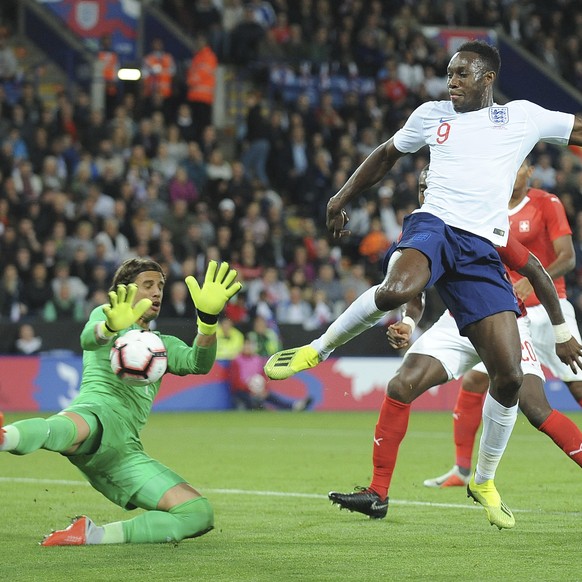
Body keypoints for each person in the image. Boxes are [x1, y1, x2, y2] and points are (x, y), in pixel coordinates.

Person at [265, 40, 582, 529]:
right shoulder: (431, 114)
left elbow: (576, 129)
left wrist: (561, 331)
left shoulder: (522, 117)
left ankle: (482, 479)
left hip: (481, 250)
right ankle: (318, 348)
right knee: (394, 291)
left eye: (462, 73)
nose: (450, 80)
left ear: (487, 77)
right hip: (434, 225)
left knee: (510, 380)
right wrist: (341, 194)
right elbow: (386, 155)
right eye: (449, 72)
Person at [0, 257, 242, 545]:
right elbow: (89, 339)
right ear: (126, 290)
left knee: (198, 513)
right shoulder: (105, 316)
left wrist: (208, 322)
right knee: (64, 428)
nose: (157, 292)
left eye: (161, 286)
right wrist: (109, 327)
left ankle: (93, 535)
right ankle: (5, 437)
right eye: (148, 285)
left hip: (126, 452)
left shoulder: (161, 345)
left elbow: (198, 363)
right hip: (96, 413)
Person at [424, 159, 582, 488]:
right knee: (474, 382)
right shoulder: (488, 207)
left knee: (577, 386)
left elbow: (567, 257)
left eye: (521, 166)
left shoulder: (545, 203)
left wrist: (532, 281)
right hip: (506, 313)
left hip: (548, 308)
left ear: (530, 172)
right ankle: (462, 470)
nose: (514, 172)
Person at [229, 336, 312, 411]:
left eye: (250, 345)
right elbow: (235, 382)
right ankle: (260, 407)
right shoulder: (237, 360)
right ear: (242, 346)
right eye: (246, 345)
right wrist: (249, 389)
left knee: (271, 396)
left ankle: (294, 406)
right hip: (243, 391)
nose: (248, 348)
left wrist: (263, 389)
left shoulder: (258, 359)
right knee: (250, 400)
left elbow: (264, 376)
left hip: (258, 390)